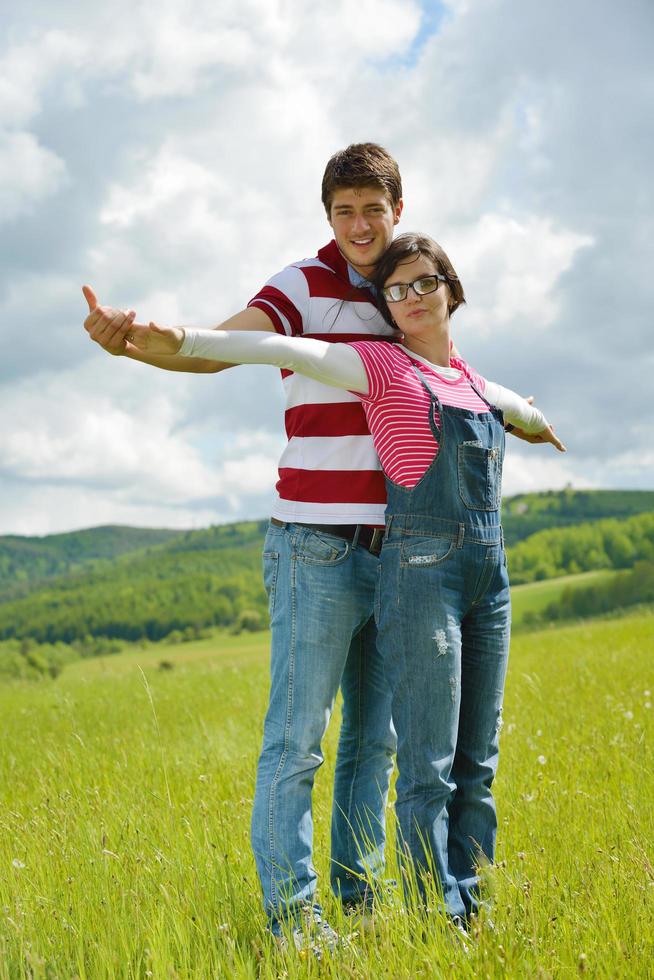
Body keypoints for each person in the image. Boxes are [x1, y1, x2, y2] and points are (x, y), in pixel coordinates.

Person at [119, 232, 565, 932]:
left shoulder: (476, 381)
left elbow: (515, 406)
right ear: (383, 306)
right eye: (397, 289)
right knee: (375, 753)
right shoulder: (377, 362)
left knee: (430, 750)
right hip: (400, 568)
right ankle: (363, 917)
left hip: (454, 571)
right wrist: (174, 335)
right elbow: (275, 348)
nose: (412, 297)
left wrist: (538, 424)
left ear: (453, 288)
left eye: (425, 284)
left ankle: (436, 905)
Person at [83, 144, 404, 947]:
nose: (360, 224)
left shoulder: (411, 287)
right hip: (315, 549)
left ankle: (360, 906)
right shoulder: (302, 284)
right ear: (327, 216)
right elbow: (219, 348)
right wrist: (134, 340)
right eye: (344, 210)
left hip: (398, 550)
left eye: (373, 207)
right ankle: (295, 923)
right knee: (297, 742)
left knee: (376, 743)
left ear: (398, 209)